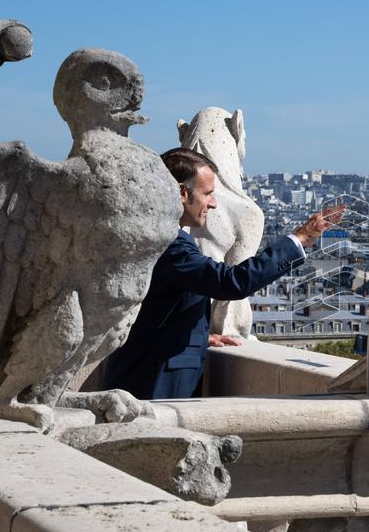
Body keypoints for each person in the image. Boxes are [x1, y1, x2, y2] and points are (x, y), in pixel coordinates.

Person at [101, 147, 344, 399]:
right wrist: (300, 237)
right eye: (207, 193)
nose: (214, 203)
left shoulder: (145, 236)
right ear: (183, 193)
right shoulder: (170, 245)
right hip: (158, 381)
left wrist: (195, 337)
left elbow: (155, 307)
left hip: (143, 372)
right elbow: (231, 282)